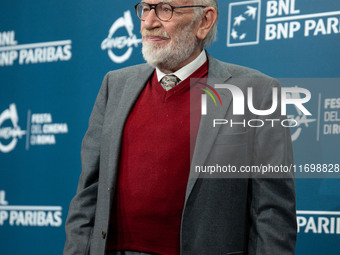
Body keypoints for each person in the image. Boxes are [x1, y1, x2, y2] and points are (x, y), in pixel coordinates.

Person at [64, 0, 297, 254]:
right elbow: (88, 195)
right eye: (145, 8)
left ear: (205, 21)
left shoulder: (255, 92)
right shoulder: (114, 85)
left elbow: (273, 213)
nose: (149, 22)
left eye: (166, 9)